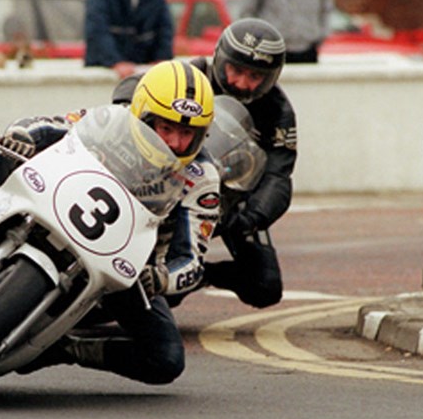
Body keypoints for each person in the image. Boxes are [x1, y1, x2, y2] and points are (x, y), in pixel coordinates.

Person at [0, 60, 220, 385]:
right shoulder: (113, 123)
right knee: (7, 152)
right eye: (166, 128)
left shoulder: (202, 178)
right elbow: (52, 126)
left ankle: (64, 349)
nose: (176, 143)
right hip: (57, 204)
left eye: (187, 133)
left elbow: (191, 261)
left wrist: (160, 279)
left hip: (125, 266)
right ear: (142, 113)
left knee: (165, 359)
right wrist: (24, 136)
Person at [111, 18, 296, 309]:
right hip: (171, 178)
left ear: (270, 77)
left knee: (265, 286)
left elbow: (279, 176)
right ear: (221, 58)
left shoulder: (278, 112)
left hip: (230, 201)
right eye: (236, 70)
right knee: (167, 295)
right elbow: (137, 83)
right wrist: (125, 107)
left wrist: (249, 217)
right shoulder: (192, 73)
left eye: (255, 76)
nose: (242, 83)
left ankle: (201, 274)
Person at [84, 0, 173, 79]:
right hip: (105, 73)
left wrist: (161, 59)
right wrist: (116, 62)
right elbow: (97, 30)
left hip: (144, 72)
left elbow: (164, 27)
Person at [239, 0, 334, 64]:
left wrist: (321, 35)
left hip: (308, 50)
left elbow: (326, 8)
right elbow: (248, 11)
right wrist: (257, 43)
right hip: (269, 50)